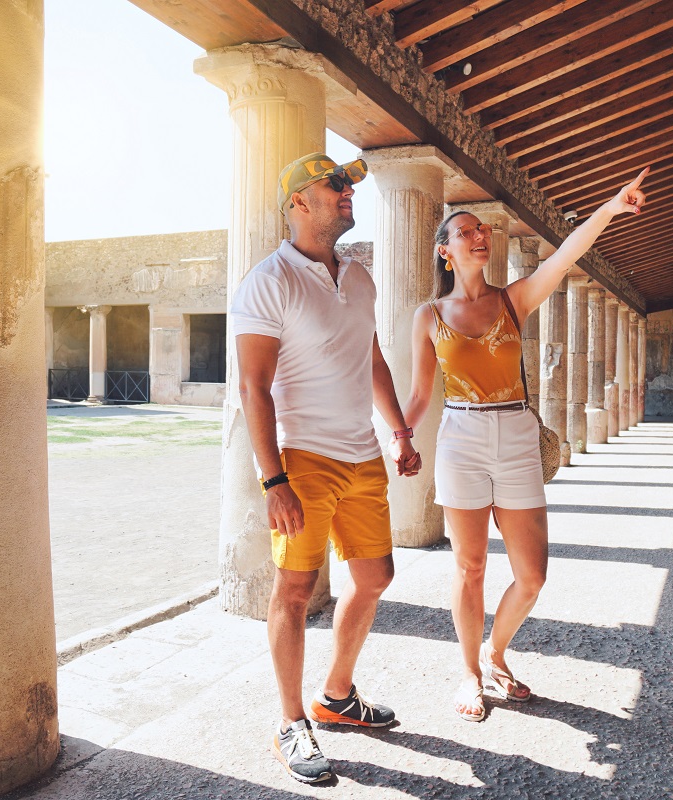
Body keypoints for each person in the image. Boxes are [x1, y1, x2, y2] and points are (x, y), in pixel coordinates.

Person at [401, 167, 649, 722]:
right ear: (445, 251)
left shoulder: (514, 300)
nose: (479, 235)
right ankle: (469, 671)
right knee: (468, 568)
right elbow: (420, 395)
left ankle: (496, 650)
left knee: (532, 575)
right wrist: (398, 434)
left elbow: (564, 256)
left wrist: (609, 206)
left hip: (515, 434)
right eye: (465, 231)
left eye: (483, 229)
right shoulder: (430, 316)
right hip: (460, 437)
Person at [230, 152, 422, 784]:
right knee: (294, 589)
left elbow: (371, 360)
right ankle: (292, 723)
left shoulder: (359, 277)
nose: (346, 193)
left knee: (375, 576)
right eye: (333, 184)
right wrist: (273, 479)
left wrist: (397, 430)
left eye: (348, 185)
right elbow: (253, 388)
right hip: (304, 457)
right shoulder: (268, 280)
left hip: (362, 453)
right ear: (299, 203)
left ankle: (336, 696)